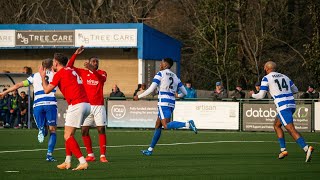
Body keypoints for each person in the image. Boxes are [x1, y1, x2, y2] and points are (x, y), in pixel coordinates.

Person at [250, 61, 314, 162]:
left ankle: (306, 148)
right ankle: (283, 150)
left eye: (264, 68)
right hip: (292, 104)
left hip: (283, 106)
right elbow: (295, 89)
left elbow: (261, 95)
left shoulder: (266, 78)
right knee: (276, 125)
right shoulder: (285, 76)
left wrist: (252, 94)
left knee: (290, 129)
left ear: (266, 68)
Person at [134, 58, 197, 156]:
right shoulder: (176, 77)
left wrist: (139, 96)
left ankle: (188, 124)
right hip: (171, 103)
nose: (160, 64)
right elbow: (184, 92)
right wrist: (178, 95)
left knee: (166, 125)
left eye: (162, 63)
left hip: (163, 103)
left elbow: (151, 89)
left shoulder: (160, 74)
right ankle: (150, 150)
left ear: (166, 65)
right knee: (158, 125)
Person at [40, 53, 91, 170]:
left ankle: (82, 161)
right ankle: (67, 161)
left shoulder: (60, 73)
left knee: (68, 135)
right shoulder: (69, 70)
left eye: (53, 62)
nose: (52, 63)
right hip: (86, 104)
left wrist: (43, 77)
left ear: (56, 63)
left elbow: (47, 90)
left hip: (77, 104)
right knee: (68, 135)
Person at [0, 59, 58, 161]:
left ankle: (41, 129)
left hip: (38, 105)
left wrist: (5, 92)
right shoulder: (56, 75)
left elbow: (18, 85)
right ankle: (49, 155)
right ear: (52, 66)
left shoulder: (35, 76)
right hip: (51, 104)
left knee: (42, 130)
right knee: (52, 131)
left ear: (42, 66)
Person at [66, 46, 108, 163]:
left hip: (99, 106)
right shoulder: (82, 72)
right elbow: (69, 67)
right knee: (84, 130)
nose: (96, 63)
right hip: (87, 105)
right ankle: (90, 154)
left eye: (97, 62)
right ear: (89, 62)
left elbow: (101, 79)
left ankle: (102, 156)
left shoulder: (102, 73)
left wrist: (92, 70)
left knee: (101, 129)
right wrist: (75, 54)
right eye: (93, 61)